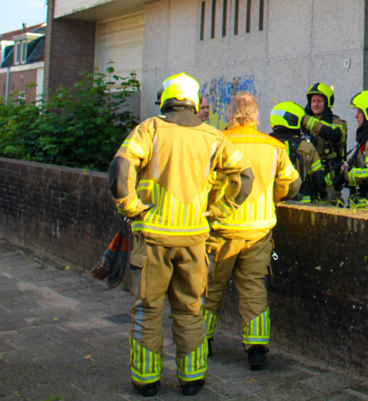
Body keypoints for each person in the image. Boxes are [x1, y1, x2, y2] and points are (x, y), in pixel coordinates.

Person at [109, 73, 252, 397]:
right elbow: (245, 176)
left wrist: (131, 207)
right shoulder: (214, 137)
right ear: (192, 99)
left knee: (148, 309)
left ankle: (146, 381)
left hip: (154, 240)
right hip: (195, 241)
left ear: (166, 98)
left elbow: (120, 169)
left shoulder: (150, 129)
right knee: (190, 309)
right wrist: (218, 212)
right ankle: (192, 378)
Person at [204, 92, 301, 372]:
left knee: (210, 287)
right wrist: (273, 197)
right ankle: (256, 350)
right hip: (259, 231)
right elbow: (291, 185)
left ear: (230, 112)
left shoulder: (217, 142)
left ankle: (201, 341)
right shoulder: (273, 145)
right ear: (256, 114)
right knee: (254, 288)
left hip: (222, 229)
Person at [268, 101, 326, 202]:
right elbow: (318, 179)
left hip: (272, 203)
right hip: (303, 204)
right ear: (293, 120)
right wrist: (324, 197)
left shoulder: (266, 145)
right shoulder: (306, 147)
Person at [301, 82, 347, 198]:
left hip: (329, 180)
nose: (315, 104)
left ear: (327, 103)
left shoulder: (336, 123)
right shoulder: (303, 124)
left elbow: (335, 134)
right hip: (308, 179)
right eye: (313, 101)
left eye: (319, 101)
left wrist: (307, 121)